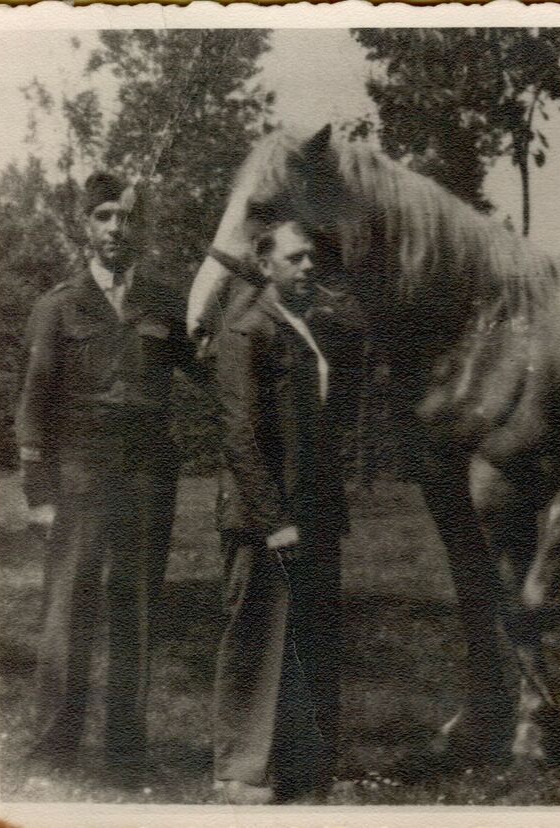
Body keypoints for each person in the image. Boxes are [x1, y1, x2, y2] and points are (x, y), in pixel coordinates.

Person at [15, 171, 199, 779]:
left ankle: (126, 751)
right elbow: (33, 403)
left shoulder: (165, 303)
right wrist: (39, 493)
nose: (116, 228)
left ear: (137, 226)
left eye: (125, 217)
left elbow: (207, 369)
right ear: (85, 226)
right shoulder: (59, 305)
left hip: (148, 478)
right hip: (80, 478)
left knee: (137, 611)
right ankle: (53, 748)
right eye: (104, 217)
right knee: (68, 610)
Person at [211, 220, 354, 805]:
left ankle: (304, 766)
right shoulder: (247, 329)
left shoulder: (307, 327)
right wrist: (275, 520)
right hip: (263, 514)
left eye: (312, 257)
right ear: (264, 265)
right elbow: (239, 433)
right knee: (257, 639)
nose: (308, 266)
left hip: (312, 509)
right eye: (295, 258)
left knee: (311, 637)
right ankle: (239, 773)